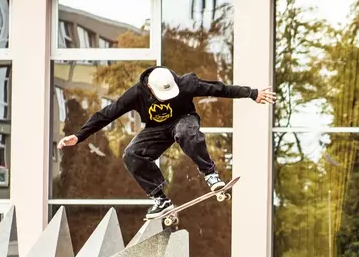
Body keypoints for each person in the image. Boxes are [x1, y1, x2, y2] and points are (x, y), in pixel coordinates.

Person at [57, 66, 276, 219]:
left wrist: (252, 93)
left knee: (185, 132)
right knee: (131, 153)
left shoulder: (186, 83)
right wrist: (80, 135)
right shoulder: (135, 94)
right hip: (156, 129)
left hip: (184, 120)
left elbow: (219, 88)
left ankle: (209, 173)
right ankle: (160, 199)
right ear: (150, 89)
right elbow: (107, 114)